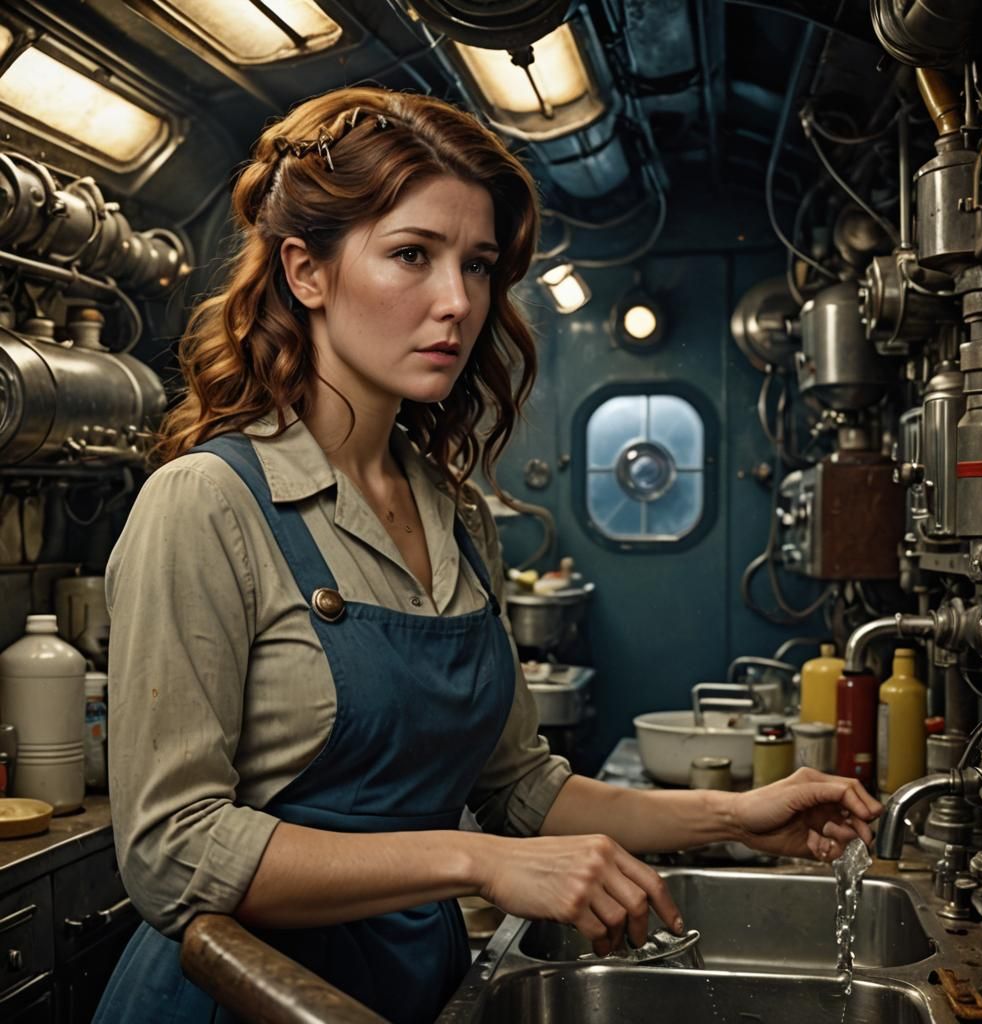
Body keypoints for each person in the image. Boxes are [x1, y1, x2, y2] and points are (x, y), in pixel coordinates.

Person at [94, 86, 882, 1024]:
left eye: (476, 265)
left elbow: (519, 787)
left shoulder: (454, 513)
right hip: (245, 1000)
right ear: (306, 272)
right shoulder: (208, 504)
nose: (457, 303)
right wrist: (476, 861)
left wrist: (740, 816)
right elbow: (173, 852)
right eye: (411, 256)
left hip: (402, 989)